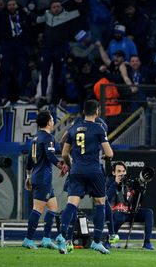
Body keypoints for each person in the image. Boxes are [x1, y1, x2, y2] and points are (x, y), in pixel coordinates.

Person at [55, 99, 114, 254]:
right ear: (97, 112)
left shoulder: (73, 129)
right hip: (93, 170)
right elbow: (109, 153)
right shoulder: (99, 128)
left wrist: (71, 164)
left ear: (83, 112)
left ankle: (61, 235)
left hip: (76, 171)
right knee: (100, 202)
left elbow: (64, 153)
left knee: (72, 204)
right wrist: (106, 158)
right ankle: (96, 241)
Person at [22, 110, 67, 249]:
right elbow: (50, 155)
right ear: (48, 122)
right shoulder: (48, 137)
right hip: (43, 178)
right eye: (52, 119)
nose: (53, 121)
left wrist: (28, 177)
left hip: (37, 176)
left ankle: (46, 239)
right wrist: (62, 166)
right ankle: (28, 240)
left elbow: (28, 161)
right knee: (38, 209)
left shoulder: (35, 139)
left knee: (53, 207)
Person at [107, 161, 154, 250]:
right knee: (119, 216)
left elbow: (139, 200)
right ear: (113, 172)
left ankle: (147, 243)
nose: (122, 173)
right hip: (115, 212)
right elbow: (106, 198)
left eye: (123, 171)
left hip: (130, 212)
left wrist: (141, 190)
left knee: (149, 213)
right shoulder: (109, 182)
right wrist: (115, 183)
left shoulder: (131, 183)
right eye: (119, 171)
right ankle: (108, 241)